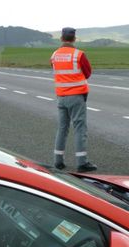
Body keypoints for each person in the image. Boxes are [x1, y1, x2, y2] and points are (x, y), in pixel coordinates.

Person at [51, 27, 97, 173]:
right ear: (74, 39)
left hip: (61, 96)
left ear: (61, 38)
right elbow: (88, 73)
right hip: (77, 96)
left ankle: (58, 161)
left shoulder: (54, 55)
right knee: (79, 128)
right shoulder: (79, 55)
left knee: (62, 128)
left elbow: (55, 71)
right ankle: (81, 162)